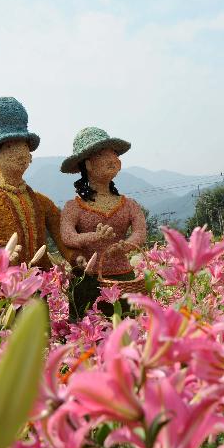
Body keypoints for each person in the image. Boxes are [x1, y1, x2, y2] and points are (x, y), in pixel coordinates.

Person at [0, 97, 73, 269]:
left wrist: (74, 256)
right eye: (10, 147)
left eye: (24, 147)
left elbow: (61, 233)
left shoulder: (42, 202)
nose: (21, 153)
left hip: (40, 282)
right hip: (1, 282)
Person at [60, 127, 146, 318]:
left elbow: (140, 232)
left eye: (114, 154)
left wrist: (127, 244)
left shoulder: (130, 205)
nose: (112, 159)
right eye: (102, 154)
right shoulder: (73, 207)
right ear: (89, 164)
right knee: (87, 336)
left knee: (126, 332)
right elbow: (67, 236)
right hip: (87, 281)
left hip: (124, 279)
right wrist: (94, 236)